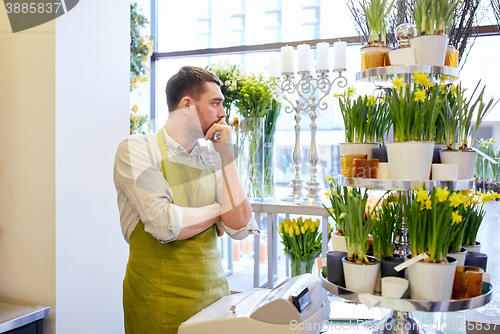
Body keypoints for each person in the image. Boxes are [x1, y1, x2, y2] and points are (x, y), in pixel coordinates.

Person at [113, 66, 259, 334]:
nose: (223, 113)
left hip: (215, 300)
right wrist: (218, 211)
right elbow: (165, 224)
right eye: (215, 103)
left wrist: (227, 155)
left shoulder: (214, 156)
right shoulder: (136, 149)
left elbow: (238, 226)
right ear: (187, 105)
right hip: (157, 303)